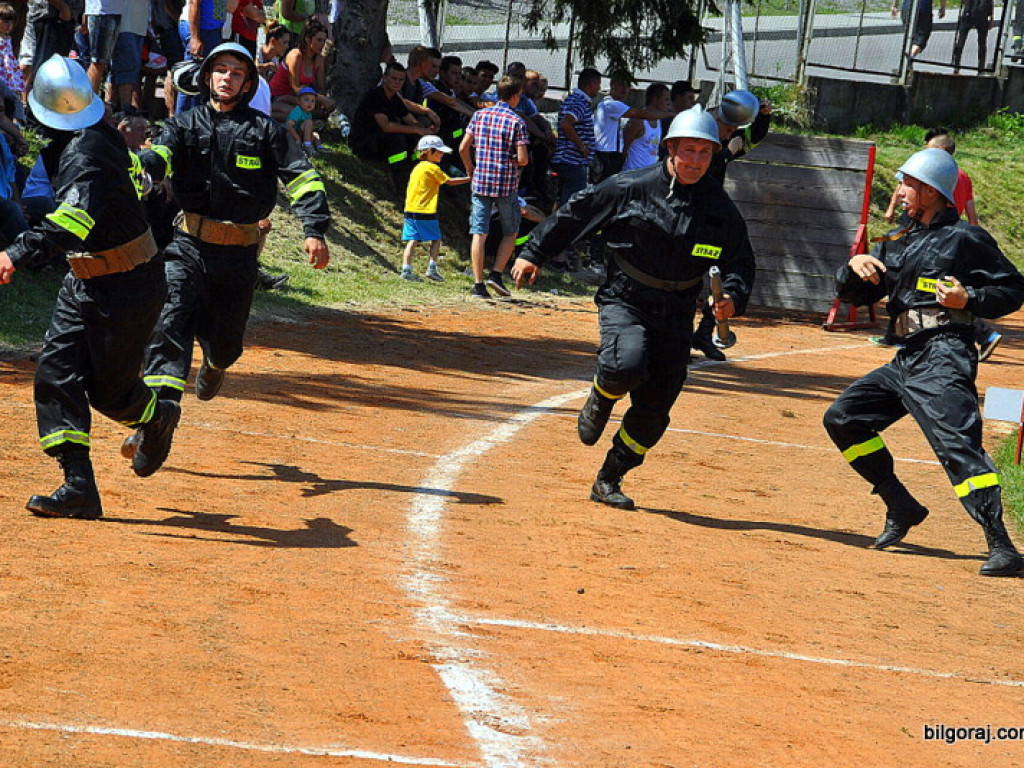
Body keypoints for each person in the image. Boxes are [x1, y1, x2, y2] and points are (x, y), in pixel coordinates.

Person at [511, 106, 756, 510]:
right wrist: (534, 252)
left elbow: (740, 263)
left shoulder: (720, 210)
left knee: (655, 409)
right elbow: (576, 214)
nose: (695, 161)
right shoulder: (631, 187)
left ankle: (610, 477)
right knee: (626, 364)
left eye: (704, 153)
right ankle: (601, 396)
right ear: (670, 149)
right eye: (688, 151)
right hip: (626, 297)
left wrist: (731, 295)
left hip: (678, 312)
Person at [823, 148, 1024, 577]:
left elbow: (1013, 288)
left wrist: (970, 299)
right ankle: (900, 503)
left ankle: (1002, 547)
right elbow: (857, 295)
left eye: (908, 184)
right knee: (844, 418)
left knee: (958, 446)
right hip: (907, 357)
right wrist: (852, 267)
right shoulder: (897, 240)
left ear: (931, 191)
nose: (900, 192)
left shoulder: (967, 240)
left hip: (946, 353)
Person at [130, 42, 329, 456]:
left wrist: (315, 229)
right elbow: (159, 155)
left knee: (226, 345)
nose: (226, 77)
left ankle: (217, 364)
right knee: (169, 328)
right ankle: (157, 421)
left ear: (247, 82)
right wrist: (146, 168)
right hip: (186, 246)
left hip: (238, 256)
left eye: (236, 72)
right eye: (219, 69)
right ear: (206, 77)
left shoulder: (267, 131)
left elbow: (303, 178)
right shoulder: (183, 126)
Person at [0, 54, 176, 519]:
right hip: (84, 280)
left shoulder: (85, 151)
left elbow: (71, 221)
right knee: (55, 375)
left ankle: (157, 417)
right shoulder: (79, 137)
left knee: (111, 393)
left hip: (128, 285)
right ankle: (78, 485)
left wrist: (14, 253)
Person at [459, 74, 529, 300]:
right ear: (516, 96)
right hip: (506, 184)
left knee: (479, 232)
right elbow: (523, 159)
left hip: (481, 181)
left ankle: (478, 284)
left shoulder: (479, 115)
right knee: (511, 231)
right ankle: (496, 273)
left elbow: (463, 147)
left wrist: (471, 168)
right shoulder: (517, 121)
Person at [348, 60, 429, 197]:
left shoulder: (395, 98)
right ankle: (399, 182)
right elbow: (386, 127)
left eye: (401, 80)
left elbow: (410, 120)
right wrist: (416, 130)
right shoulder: (375, 96)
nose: (397, 82)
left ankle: (415, 174)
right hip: (364, 142)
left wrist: (425, 132)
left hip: (381, 140)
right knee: (398, 140)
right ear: (384, 78)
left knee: (414, 139)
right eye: (393, 78)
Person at [400, 134, 469, 283]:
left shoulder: (418, 167)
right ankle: (432, 268)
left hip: (410, 209)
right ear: (429, 151)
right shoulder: (432, 168)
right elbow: (449, 181)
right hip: (425, 210)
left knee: (413, 240)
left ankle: (406, 269)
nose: (442, 154)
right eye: (439, 151)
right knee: (436, 239)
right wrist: (470, 179)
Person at [593, 73, 673, 183]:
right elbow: (638, 115)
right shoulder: (610, 105)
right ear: (612, 84)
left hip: (645, 175)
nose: (625, 90)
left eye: (628, 86)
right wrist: (672, 115)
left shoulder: (657, 120)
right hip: (609, 159)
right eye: (622, 85)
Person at [551, 67, 601, 206]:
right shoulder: (579, 102)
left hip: (568, 159)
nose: (599, 88)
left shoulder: (573, 100)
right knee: (571, 202)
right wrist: (582, 146)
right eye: (598, 84)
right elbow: (566, 124)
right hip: (573, 160)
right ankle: (565, 225)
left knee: (561, 198)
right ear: (591, 85)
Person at [268, 18, 334, 121]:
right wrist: (320, 99)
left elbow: (321, 87)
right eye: (319, 40)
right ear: (308, 40)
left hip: (300, 99)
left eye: (324, 41)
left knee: (322, 111)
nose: (322, 44)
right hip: (279, 96)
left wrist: (321, 102)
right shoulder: (295, 56)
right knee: (300, 115)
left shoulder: (318, 59)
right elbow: (296, 87)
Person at [621, 82, 671, 172]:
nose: (669, 104)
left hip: (648, 177)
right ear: (654, 99)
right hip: (632, 176)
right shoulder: (638, 121)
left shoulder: (658, 121)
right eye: (666, 100)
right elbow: (623, 147)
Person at [952, 0, 993, 72]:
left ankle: (980, 67)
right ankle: (957, 65)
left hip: (980, 14)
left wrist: (991, 16)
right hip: (971, 13)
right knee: (961, 42)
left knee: (981, 43)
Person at [0, 4, 26, 99]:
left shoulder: (8, 38)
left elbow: (9, 58)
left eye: (11, 22)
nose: (9, 26)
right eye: (5, 22)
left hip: (9, 69)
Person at [285, 84, 318, 153]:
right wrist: (298, 139)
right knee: (309, 122)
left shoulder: (308, 113)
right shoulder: (298, 110)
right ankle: (307, 145)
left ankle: (319, 147)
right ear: (298, 101)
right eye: (306, 100)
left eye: (313, 101)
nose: (310, 103)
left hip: (300, 133)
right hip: (292, 134)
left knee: (315, 135)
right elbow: (288, 126)